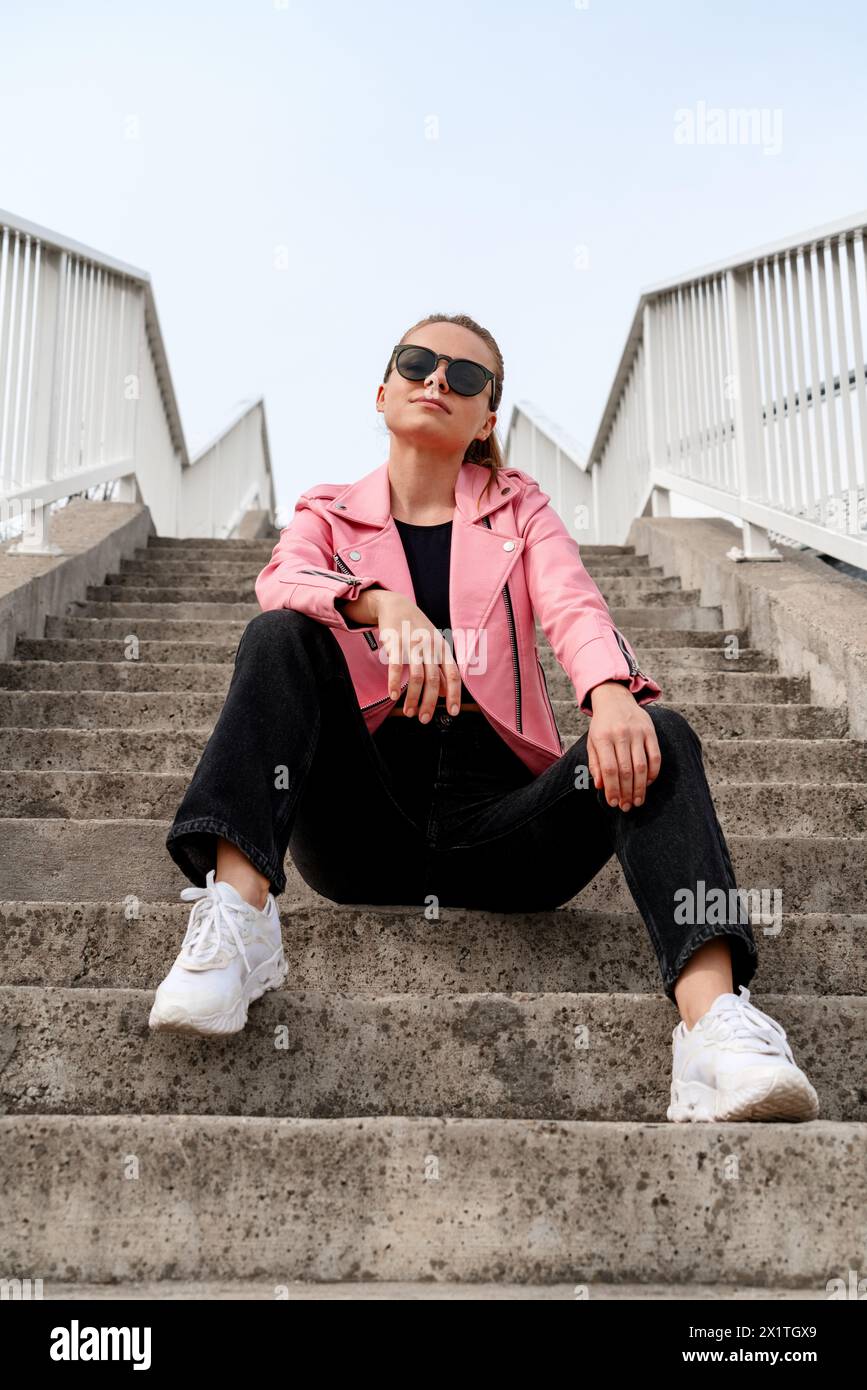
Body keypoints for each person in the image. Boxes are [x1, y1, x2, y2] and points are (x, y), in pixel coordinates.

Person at [151, 313, 819, 1125]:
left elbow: (572, 602)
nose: (438, 380)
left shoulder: (518, 508)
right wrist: (377, 603)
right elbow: (283, 578)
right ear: (384, 388)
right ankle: (239, 919)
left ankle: (713, 1030)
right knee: (279, 634)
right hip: (362, 833)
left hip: (507, 833)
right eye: (418, 363)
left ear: (485, 417)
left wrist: (609, 693)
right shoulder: (326, 511)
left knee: (658, 732)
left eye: (464, 376)